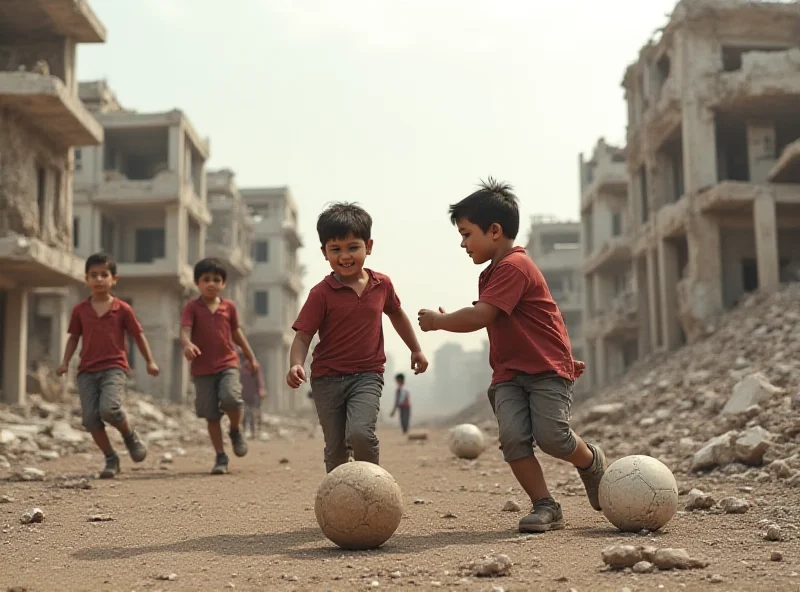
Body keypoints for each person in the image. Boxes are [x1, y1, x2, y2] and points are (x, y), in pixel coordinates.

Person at [417, 178, 605, 533]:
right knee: (514, 438)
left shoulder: (515, 266)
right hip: (508, 374)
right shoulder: (490, 274)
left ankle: (590, 461)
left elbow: (482, 316)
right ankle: (545, 505)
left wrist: (439, 321)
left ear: (494, 231)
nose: (462, 243)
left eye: (466, 233)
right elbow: (487, 315)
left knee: (553, 437)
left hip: (546, 369)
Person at [286, 202, 429, 473]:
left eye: (353, 247)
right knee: (336, 447)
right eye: (335, 249)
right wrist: (296, 364)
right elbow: (304, 335)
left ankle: (372, 485)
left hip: (367, 375)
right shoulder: (321, 293)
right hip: (326, 379)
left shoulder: (382, 285)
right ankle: (340, 502)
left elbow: (397, 315)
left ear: (369, 246)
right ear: (324, 252)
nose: (345, 256)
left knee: (361, 433)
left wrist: (416, 349)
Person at [56, 253, 159, 479]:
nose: (99, 279)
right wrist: (65, 362)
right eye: (94, 275)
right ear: (86, 279)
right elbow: (74, 337)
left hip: (114, 367)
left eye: (104, 274)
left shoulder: (122, 309)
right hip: (86, 371)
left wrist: (149, 361)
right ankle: (111, 458)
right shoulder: (80, 310)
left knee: (109, 408)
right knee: (90, 419)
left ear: (114, 279)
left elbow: (138, 336)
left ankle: (129, 435)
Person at [181, 258, 260, 475]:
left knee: (232, 398)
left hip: (228, 363)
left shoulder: (229, 307)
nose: (211, 284)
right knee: (211, 415)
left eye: (216, 280)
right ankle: (220, 455)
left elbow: (236, 333)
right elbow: (185, 330)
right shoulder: (192, 308)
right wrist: (187, 344)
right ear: (197, 282)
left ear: (223, 283)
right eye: (206, 279)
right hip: (202, 369)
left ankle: (235, 430)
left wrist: (250, 356)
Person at [239, 349, 266, 439]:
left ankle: (254, 432)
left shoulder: (255, 368)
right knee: (245, 414)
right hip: (243, 395)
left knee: (253, 414)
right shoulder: (241, 369)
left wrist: (261, 390)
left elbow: (259, 380)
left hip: (254, 396)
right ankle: (244, 431)